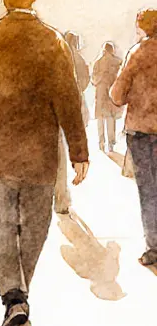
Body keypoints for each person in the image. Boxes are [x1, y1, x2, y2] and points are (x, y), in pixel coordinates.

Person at [0, 0, 88, 326]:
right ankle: (22, 291)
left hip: (1, 148)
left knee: (1, 227)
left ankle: (13, 296)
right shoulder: (51, 41)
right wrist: (80, 150)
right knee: (35, 227)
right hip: (40, 151)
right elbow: (68, 98)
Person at [110, 9, 157, 267]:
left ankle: (154, 248)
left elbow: (117, 95)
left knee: (149, 191)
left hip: (142, 132)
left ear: (143, 27)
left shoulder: (138, 53)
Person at [54, 32, 92, 214]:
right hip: (72, 107)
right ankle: (61, 200)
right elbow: (85, 80)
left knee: (57, 152)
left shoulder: (56, 54)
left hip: (56, 109)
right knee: (61, 154)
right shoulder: (79, 59)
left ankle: (58, 196)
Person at [92, 41, 123, 153]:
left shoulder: (98, 62)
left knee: (100, 118)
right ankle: (111, 143)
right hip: (111, 93)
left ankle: (101, 143)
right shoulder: (117, 61)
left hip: (100, 93)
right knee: (110, 118)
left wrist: (100, 78)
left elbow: (93, 79)